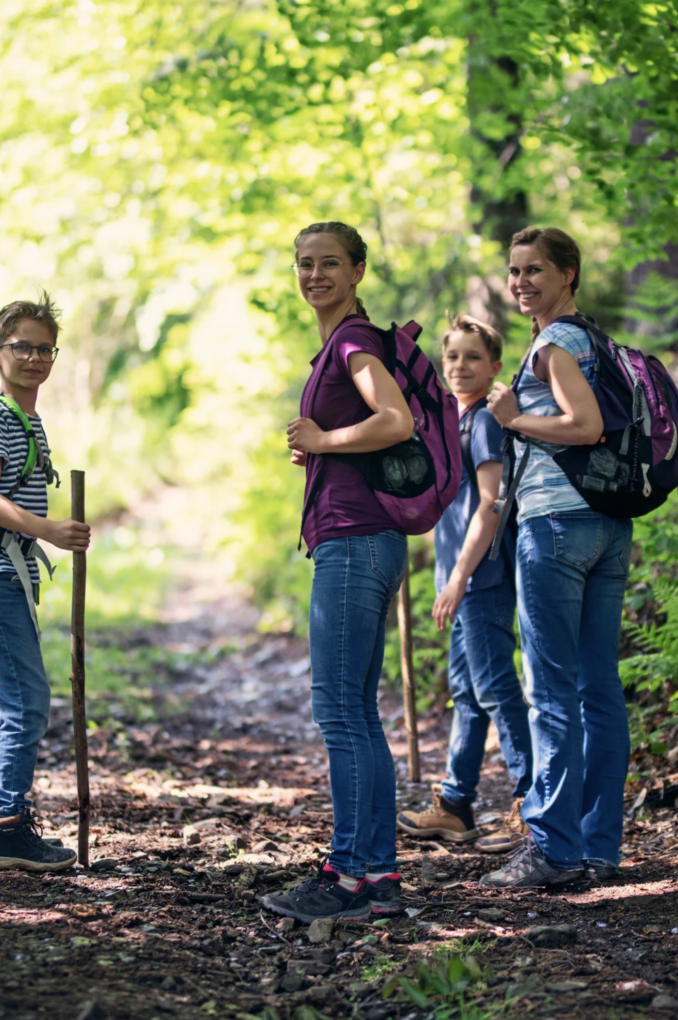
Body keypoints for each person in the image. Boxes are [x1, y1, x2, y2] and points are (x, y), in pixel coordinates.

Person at [259, 222, 414, 923]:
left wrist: (326, 438)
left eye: (329, 264)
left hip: (355, 544)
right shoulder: (338, 345)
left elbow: (397, 419)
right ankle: (375, 874)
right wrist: (325, 451)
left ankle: (348, 874)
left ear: (357, 270)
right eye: (304, 264)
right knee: (357, 713)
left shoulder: (353, 342)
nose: (314, 274)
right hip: (361, 541)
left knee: (341, 711)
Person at [480, 227, 633, 888]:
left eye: (535, 270)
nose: (521, 283)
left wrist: (513, 419)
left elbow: (586, 426)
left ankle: (553, 848)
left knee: (552, 691)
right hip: (606, 524)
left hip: (556, 525)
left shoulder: (553, 345)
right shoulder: (596, 340)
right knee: (598, 689)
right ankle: (599, 845)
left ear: (568, 273)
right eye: (514, 272)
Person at [0, 293, 91, 872]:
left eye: (45, 349)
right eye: (22, 347)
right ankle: (8, 829)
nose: (35, 358)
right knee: (26, 703)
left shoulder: (24, 416)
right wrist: (49, 531)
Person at [396, 315, 532, 854]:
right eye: (451, 356)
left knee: (498, 692)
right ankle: (455, 806)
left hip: (483, 579)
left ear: (495, 366)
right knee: (467, 696)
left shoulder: (485, 425)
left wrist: (458, 578)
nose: (460, 367)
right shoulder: (453, 422)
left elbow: (492, 503)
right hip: (459, 580)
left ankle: (531, 804)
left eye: (473, 357)